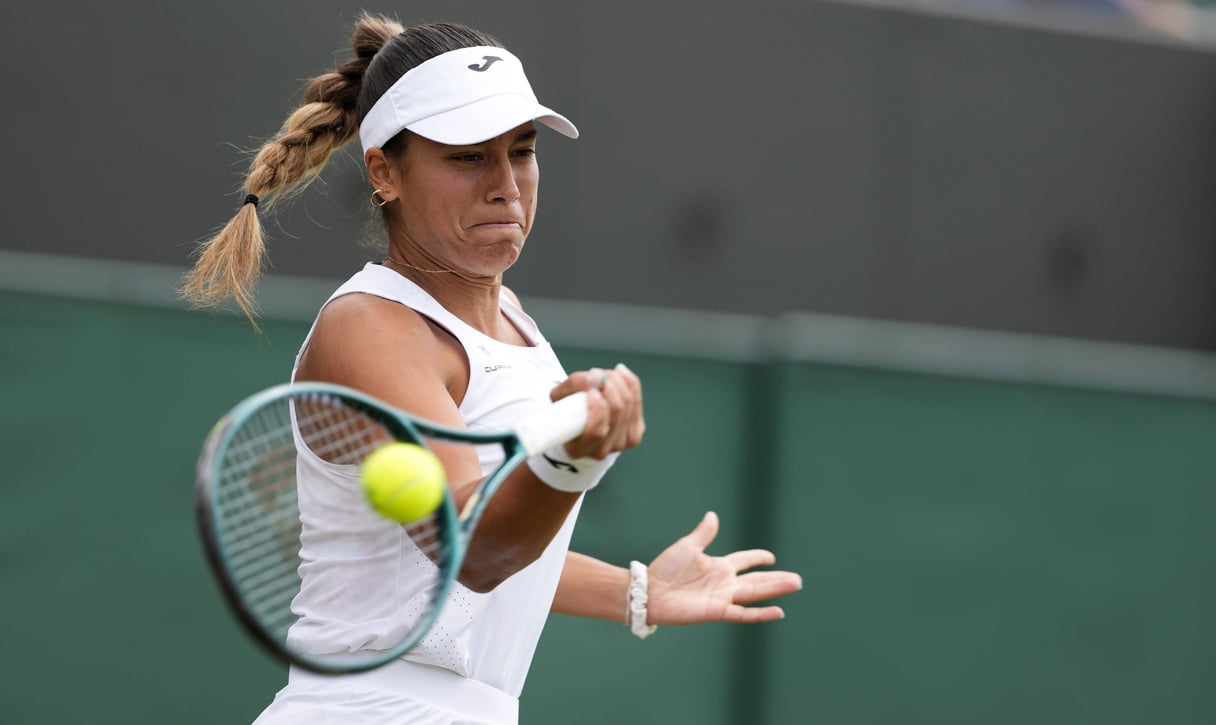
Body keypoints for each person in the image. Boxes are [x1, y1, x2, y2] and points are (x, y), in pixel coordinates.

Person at [183, 11, 803, 724]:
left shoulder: (517, 326)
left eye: (522, 150)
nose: (506, 184)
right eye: (468, 156)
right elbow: (471, 550)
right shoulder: (372, 326)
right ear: (385, 171)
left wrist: (635, 592)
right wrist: (572, 459)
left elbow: (475, 555)